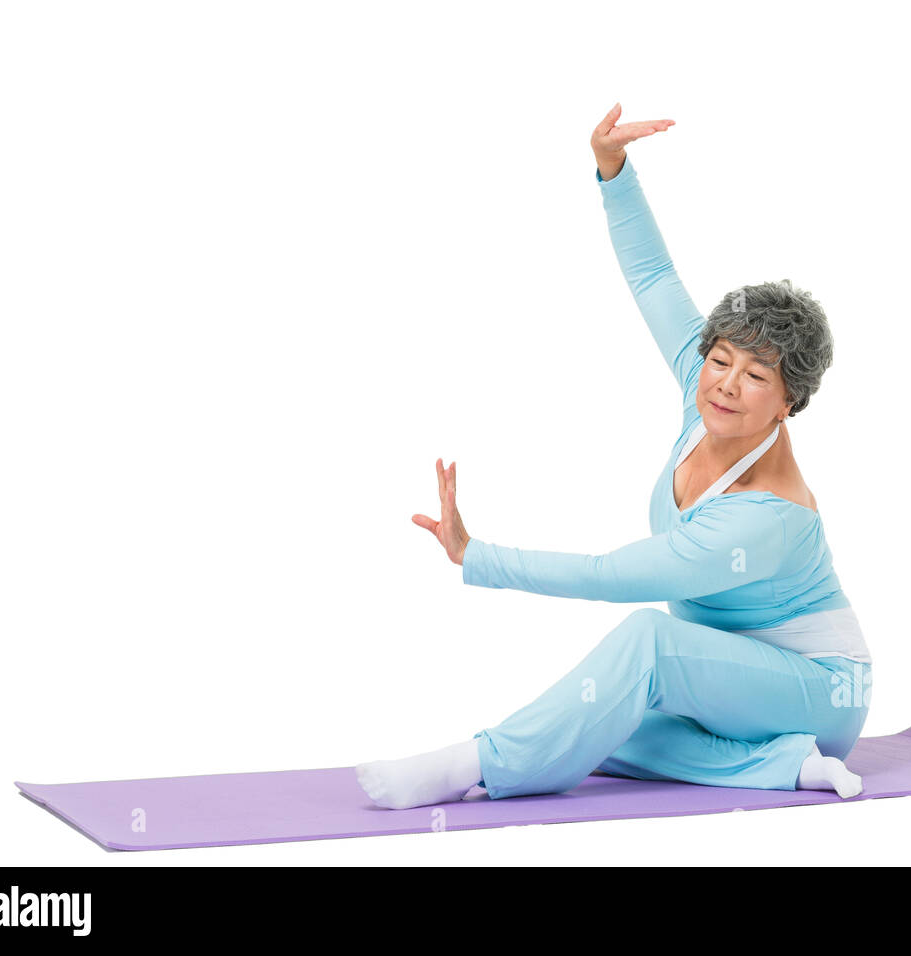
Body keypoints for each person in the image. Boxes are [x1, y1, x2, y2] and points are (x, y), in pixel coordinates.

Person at [355, 103, 873, 810]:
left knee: (644, 649)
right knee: (599, 721)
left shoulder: (766, 516)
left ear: (789, 403)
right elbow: (655, 278)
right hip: (727, 685)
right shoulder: (705, 392)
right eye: (719, 359)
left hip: (818, 689)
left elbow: (611, 575)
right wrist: (613, 168)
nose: (725, 382)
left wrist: (476, 554)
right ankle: (783, 766)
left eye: (756, 376)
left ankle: (475, 762)